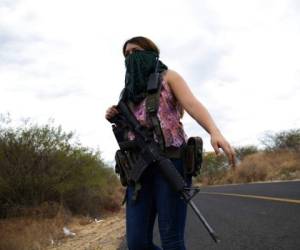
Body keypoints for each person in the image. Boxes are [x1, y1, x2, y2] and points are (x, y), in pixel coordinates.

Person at [105, 36, 236, 250]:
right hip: (138, 170)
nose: (131, 57)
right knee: (137, 243)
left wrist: (215, 132)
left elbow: (192, 105)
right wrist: (115, 116)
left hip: (170, 163)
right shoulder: (126, 93)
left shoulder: (168, 77)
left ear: (150, 53)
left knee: (172, 240)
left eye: (136, 51)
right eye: (126, 55)